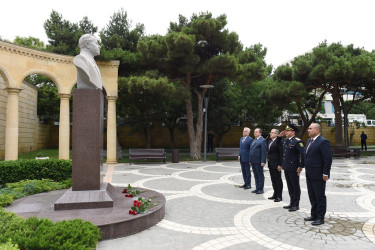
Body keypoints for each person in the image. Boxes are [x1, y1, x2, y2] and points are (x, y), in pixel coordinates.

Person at [304, 123, 332, 226]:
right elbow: (307, 156)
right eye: (308, 128)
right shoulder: (309, 141)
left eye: (310, 128)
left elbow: (327, 159)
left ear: (317, 131)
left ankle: (320, 217)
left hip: (319, 175)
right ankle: (314, 215)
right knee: (312, 195)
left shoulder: (323, 142)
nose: (308, 130)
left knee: (319, 196)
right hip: (309, 174)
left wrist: (326, 173)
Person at [279, 124, 304, 212]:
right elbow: (279, 147)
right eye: (286, 130)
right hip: (287, 167)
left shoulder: (297, 141)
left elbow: (303, 154)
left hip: (294, 167)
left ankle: (296, 204)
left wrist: (301, 166)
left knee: (295, 186)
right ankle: (291, 202)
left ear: (293, 132)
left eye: (288, 130)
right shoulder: (285, 140)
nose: (286, 132)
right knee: (290, 186)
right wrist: (279, 137)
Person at [267, 129, 283, 202]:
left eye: (272, 132)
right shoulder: (270, 141)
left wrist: (280, 164)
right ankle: (275, 194)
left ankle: (279, 196)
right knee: (273, 180)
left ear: (276, 134)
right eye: (270, 132)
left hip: (276, 164)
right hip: (271, 163)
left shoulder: (278, 141)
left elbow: (281, 154)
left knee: (278, 180)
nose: (270, 133)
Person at [249, 128, 267, 194]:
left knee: (260, 175)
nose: (255, 133)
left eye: (256, 132)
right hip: (253, 161)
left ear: (260, 133)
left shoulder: (262, 140)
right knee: (255, 175)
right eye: (254, 132)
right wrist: (250, 160)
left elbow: (264, 152)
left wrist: (263, 161)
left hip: (259, 161)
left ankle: (261, 189)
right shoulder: (254, 140)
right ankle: (257, 188)